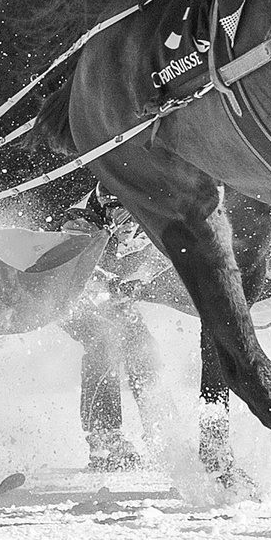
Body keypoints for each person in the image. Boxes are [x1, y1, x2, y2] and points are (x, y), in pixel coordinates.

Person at [52, 186, 172, 471]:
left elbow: (163, 253)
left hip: (112, 299)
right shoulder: (79, 223)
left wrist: (139, 280)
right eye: (124, 216)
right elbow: (75, 264)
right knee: (104, 343)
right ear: (107, 207)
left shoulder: (148, 212)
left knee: (143, 347)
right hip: (70, 297)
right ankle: (104, 437)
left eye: (136, 218)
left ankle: (162, 430)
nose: (131, 227)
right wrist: (110, 281)